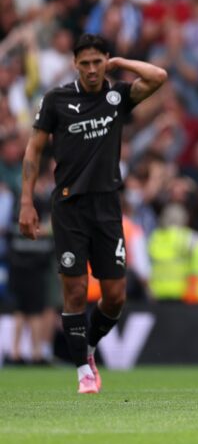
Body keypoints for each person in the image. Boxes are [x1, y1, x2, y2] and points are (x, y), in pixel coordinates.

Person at [19, 33, 167, 393]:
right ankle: (83, 370)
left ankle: (88, 345)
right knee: (75, 291)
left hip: (106, 206)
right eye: (83, 63)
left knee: (115, 296)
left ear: (106, 61)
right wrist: (26, 202)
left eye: (97, 62)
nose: (90, 70)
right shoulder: (57, 100)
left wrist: (121, 64)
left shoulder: (115, 97)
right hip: (69, 207)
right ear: (74, 65)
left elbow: (158, 76)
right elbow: (33, 150)